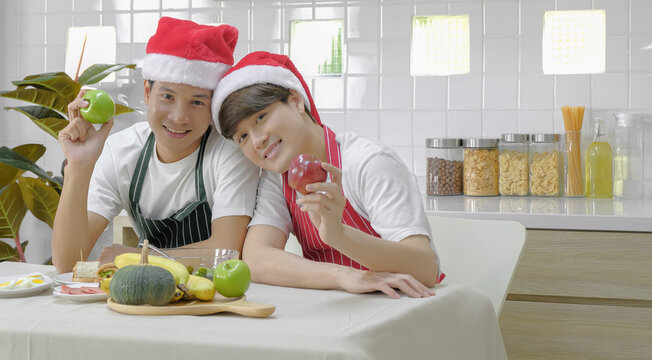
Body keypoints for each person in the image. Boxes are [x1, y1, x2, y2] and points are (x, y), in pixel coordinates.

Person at [212, 52, 443, 299]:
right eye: (242, 137)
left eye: (261, 117)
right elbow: (257, 258)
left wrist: (340, 236)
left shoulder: (368, 163)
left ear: (296, 101)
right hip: (340, 307)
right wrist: (343, 276)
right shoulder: (277, 177)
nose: (257, 141)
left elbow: (425, 268)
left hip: (404, 304)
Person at [52, 17, 259, 273]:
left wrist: (138, 256)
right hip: (145, 295)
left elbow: (227, 252)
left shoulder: (230, 152)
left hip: (215, 296)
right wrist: (78, 166)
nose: (178, 117)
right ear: (147, 93)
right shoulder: (121, 152)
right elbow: (66, 262)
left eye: (197, 102)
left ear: (213, 105)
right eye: (168, 96)